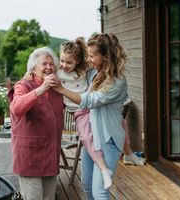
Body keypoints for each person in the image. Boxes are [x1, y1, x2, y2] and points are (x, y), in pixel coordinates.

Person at [53, 33, 127, 199]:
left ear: (105, 57)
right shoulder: (95, 72)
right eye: (88, 55)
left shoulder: (117, 81)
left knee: (100, 191)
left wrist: (62, 90)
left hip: (107, 139)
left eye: (92, 56)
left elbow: (89, 101)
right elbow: (76, 65)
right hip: (93, 136)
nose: (89, 59)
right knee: (86, 184)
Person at [8, 47, 64, 200]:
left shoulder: (56, 87)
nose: (49, 67)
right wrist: (42, 88)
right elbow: (16, 108)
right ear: (33, 67)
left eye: (51, 64)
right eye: (44, 64)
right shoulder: (23, 85)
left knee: (49, 198)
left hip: (50, 152)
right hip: (30, 155)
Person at [57, 37, 113, 189]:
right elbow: (41, 71)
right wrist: (29, 73)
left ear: (77, 61)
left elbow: (100, 61)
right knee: (87, 137)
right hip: (80, 113)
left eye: (69, 62)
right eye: (62, 61)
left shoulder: (84, 69)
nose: (64, 65)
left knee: (117, 122)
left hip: (92, 106)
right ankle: (104, 169)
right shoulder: (57, 71)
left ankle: (128, 153)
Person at [108, 33, 145, 166]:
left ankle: (128, 153)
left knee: (121, 122)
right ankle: (128, 153)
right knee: (120, 123)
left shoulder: (117, 75)